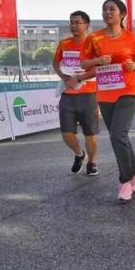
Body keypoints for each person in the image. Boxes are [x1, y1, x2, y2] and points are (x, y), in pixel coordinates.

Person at [81, 0, 135, 203]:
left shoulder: (131, 38)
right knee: (120, 137)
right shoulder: (94, 38)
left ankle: (125, 180)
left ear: (122, 14)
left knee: (118, 134)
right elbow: (84, 63)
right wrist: (97, 61)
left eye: (112, 9)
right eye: (104, 9)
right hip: (105, 92)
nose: (107, 12)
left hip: (128, 90)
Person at [52, 10, 99, 176]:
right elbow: (56, 62)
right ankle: (79, 154)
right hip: (68, 94)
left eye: (77, 22)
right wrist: (63, 76)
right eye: (71, 22)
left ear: (86, 25)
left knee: (90, 133)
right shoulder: (64, 43)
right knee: (66, 133)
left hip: (89, 94)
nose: (73, 25)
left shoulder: (95, 43)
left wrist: (80, 78)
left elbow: (101, 68)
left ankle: (92, 163)